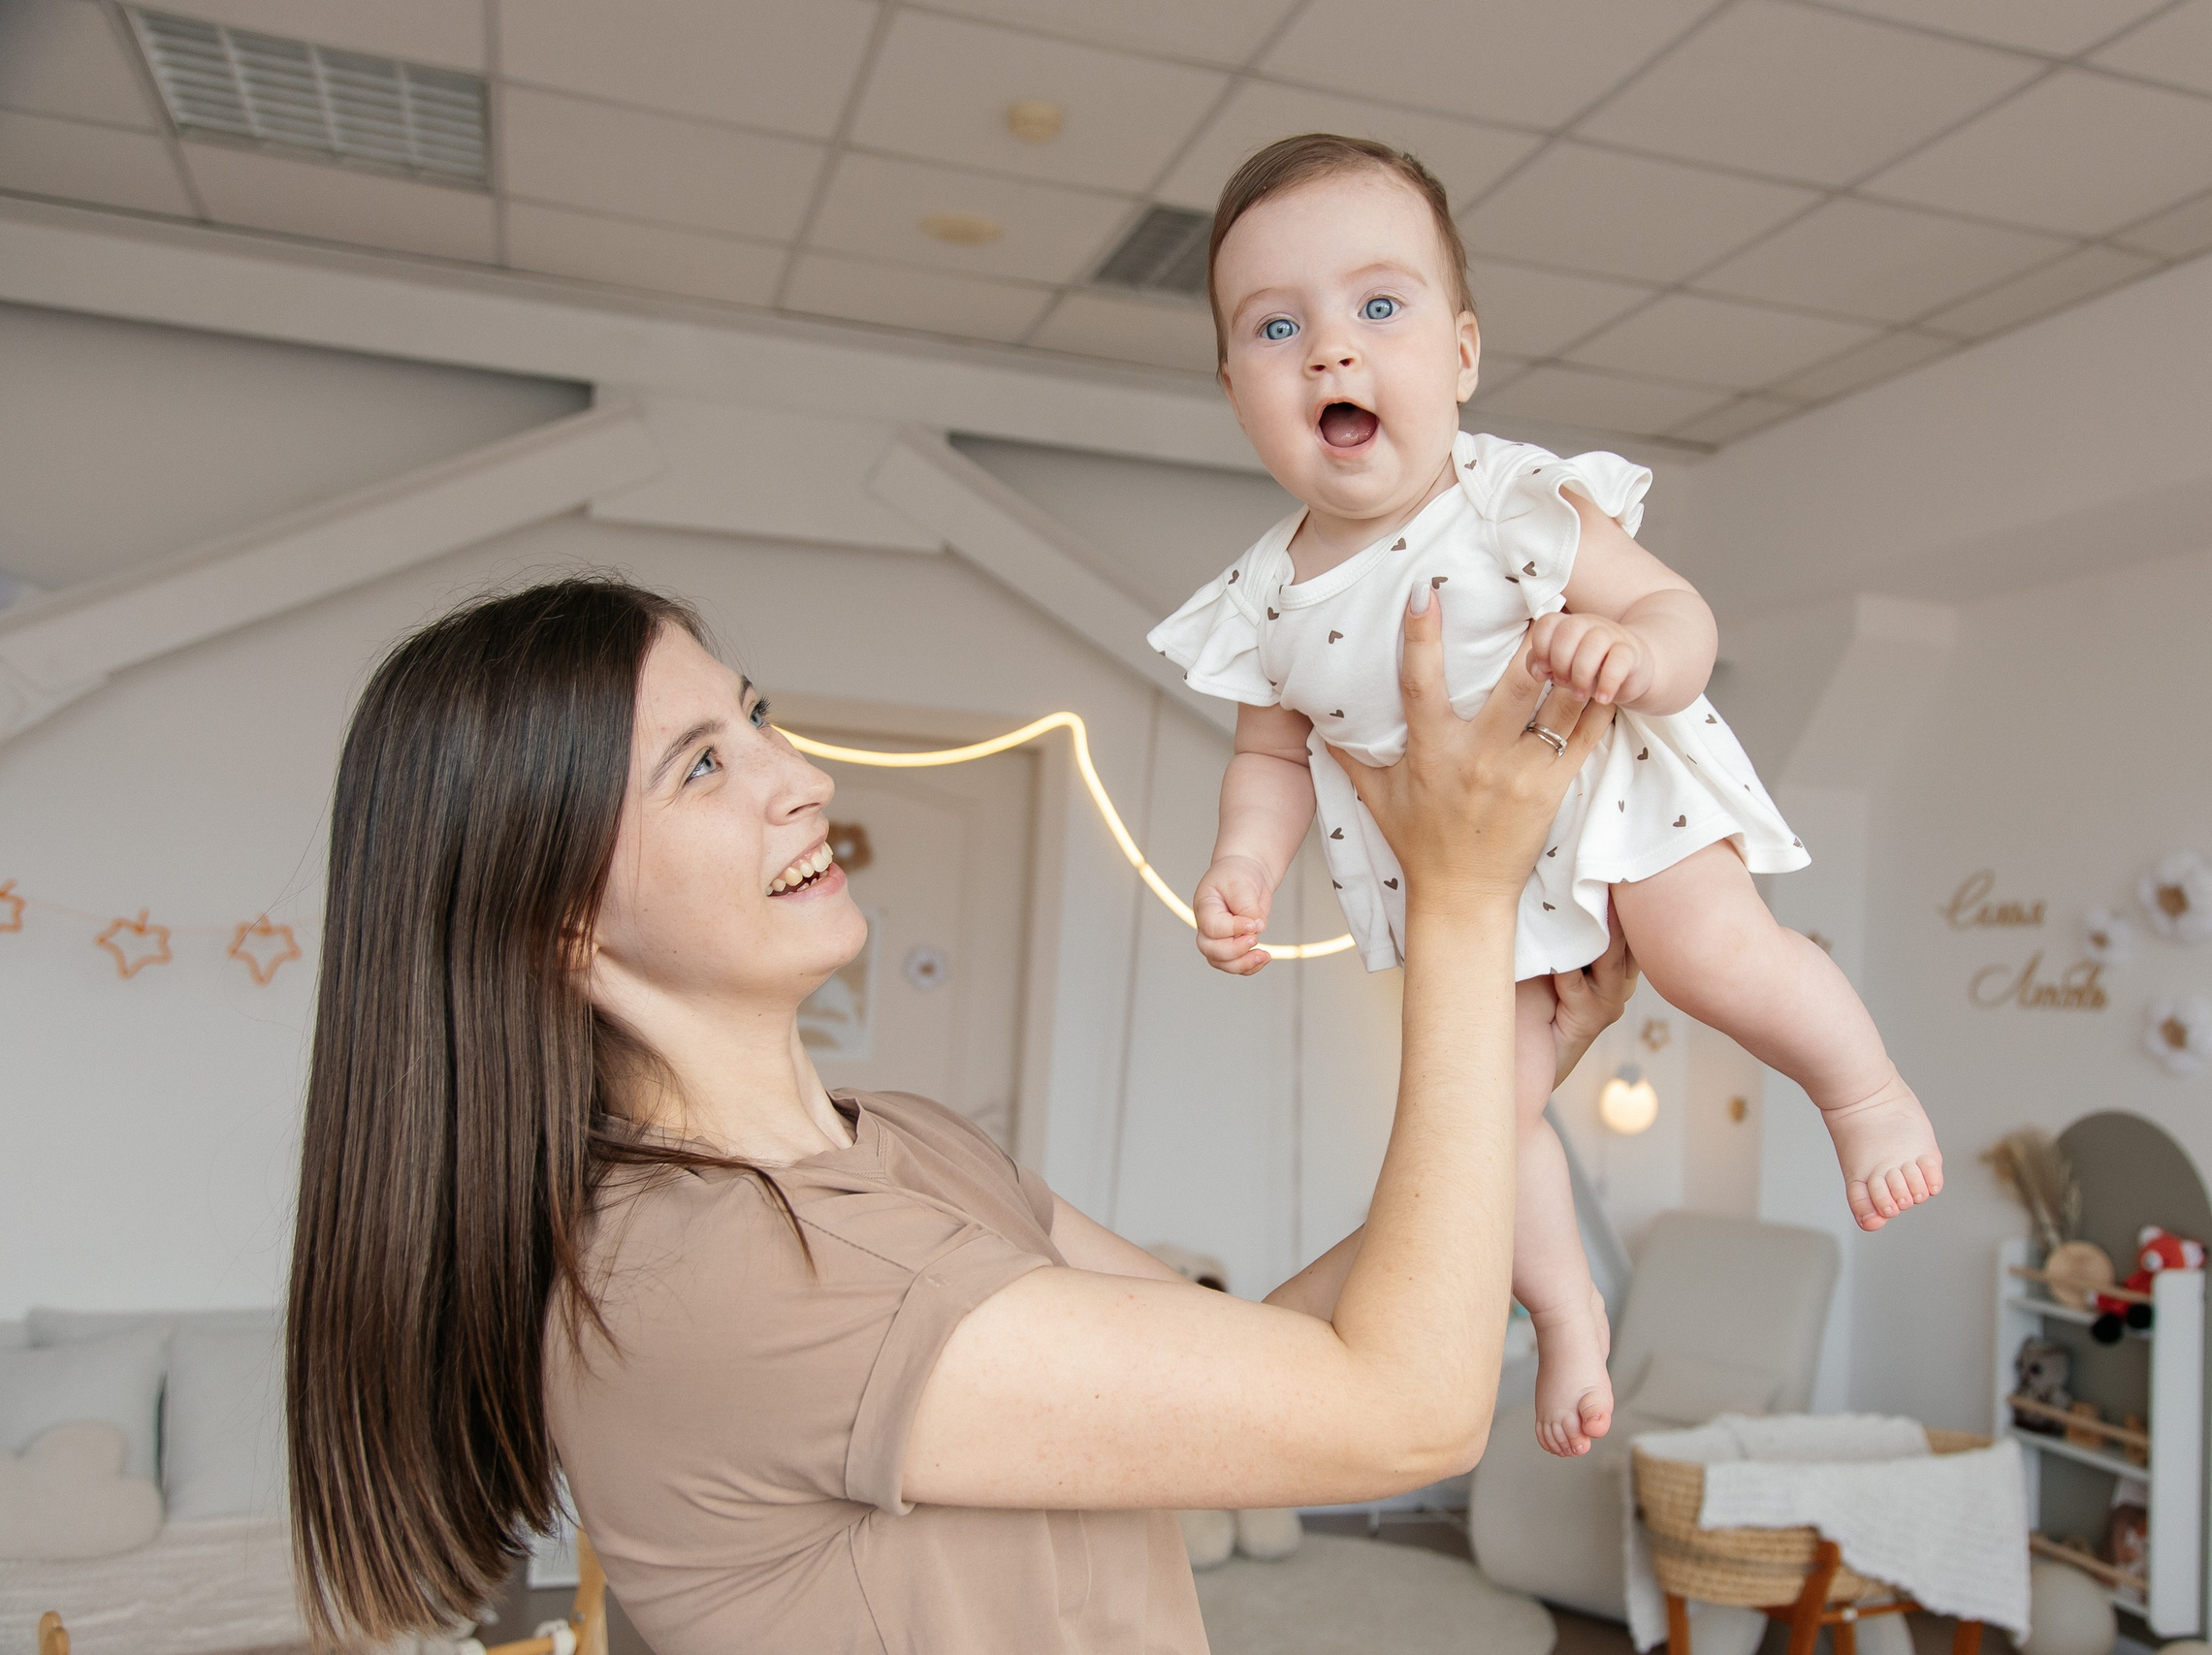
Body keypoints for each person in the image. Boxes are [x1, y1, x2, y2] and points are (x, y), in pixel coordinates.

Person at [285, 575, 1636, 1655]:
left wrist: (1513, 1064)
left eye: (753, 716)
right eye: (701, 768)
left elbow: (1272, 1366)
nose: (796, 774)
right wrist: (1460, 899)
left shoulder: (909, 1141)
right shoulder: (717, 1276)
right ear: (559, 923)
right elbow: (1399, 1413)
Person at [1147, 134, 1945, 1459]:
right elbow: (1271, 761)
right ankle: (1567, 1314)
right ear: (1237, 389)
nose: (1333, 351)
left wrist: (1635, 655)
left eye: (1378, 307)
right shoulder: (1262, 598)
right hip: (1466, 892)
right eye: (1278, 327)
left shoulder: (1511, 500)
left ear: (1461, 355)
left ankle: (1864, 1094)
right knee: (1477, 1117)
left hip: (1613, 795)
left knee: (1708, 955)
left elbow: (1670, 610)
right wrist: (1242, 865)